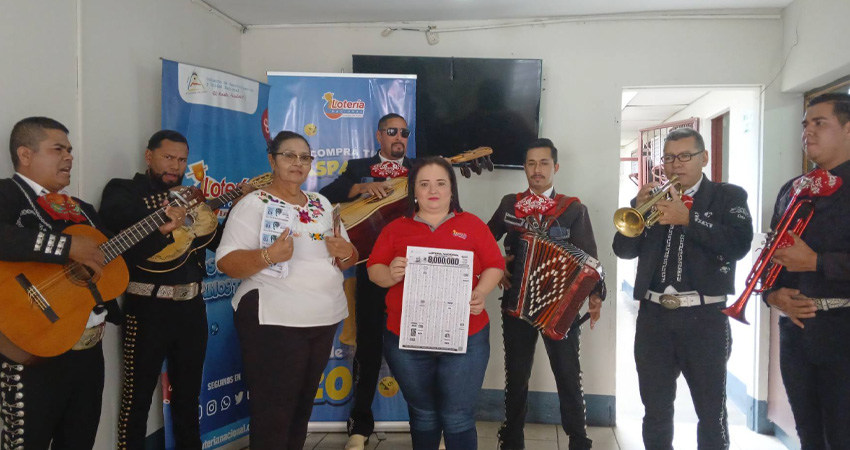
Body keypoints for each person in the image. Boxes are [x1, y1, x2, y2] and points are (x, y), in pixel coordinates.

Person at [99, 130, 245, 450]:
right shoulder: (124, 190)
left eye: (181, 160)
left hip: (192, 308)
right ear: (149, 156)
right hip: (147, 308)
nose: (175, 166)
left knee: (188, 396)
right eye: (168, 157)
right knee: (136, 400)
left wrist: (234, 209)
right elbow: (116, 218)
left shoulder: (192, 197)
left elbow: (219, 242)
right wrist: (169, 207)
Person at [612, 127, 753, 450]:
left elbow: (738, 244)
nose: (676, 165)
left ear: (704, 157)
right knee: (656, 410)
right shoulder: (652, 199)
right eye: (670, 157)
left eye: (685, 156)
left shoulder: (727, 196)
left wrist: (689, 219)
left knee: (710, 412)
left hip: (705, 318)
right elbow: (623, 249)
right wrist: (638, 205)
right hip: (653, 317)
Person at [216, 131, 357, 450]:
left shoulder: (321, 204)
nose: (298, 163)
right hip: (275, 321)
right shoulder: (254, 204)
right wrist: (267, 256)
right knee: (273, 411)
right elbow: (226, 261)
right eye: (289, 155)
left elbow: (350, 256)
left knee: (301, 407)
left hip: (324, 317)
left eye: (305, 157)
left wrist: (346, 250)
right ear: (272, 159)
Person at [0, 117, 128, 449]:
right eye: (58, 149)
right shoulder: (7, 193)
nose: (69, 157)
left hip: (87, 352)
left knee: (79, 440)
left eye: (70, 150)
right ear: (25, 155)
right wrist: (67, 247)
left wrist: (159, 232)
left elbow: (111, 258)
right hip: (32, 351)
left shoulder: (81, 209)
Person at [367, 156, 504, 450]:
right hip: (407, 340)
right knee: (424, 415)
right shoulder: (396, 228)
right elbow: (373, 268)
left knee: (458, 418)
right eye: (424, 184)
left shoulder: (473, 225)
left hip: (466, 337)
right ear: (413, 190)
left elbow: (495, 265)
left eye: (441, 183)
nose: (433, 190)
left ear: (452, 189)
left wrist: (481, 291)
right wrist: (390, 274)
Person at [487, 138, 605, 450]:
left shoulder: (573, 209)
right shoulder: (509, 204)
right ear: (524, 167)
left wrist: (596, 296)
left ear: (555, 167)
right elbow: (483, 242)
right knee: (517, 374)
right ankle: (511, 439)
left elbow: (590, 258)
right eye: (530, 163)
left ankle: (579, 440)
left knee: (567, 374)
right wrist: (496, 264)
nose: (536, 170)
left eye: (543, 163)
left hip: (560, 306)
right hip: (516, 303)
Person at [319, 113, 413, 450]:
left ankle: (426, 426)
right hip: (370, 267)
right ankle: (359, 427)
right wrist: (360, 187)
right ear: (379, 135)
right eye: (392, 131)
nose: (398, 137)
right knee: (369, 348)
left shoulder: (421, 169)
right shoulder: (359, 166)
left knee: (418, 350)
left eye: (404, 132)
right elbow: (324, 199)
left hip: (413, 272)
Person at [765, 93, 850, 449]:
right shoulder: (793, 190)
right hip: (796, 334)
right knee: (808, 435)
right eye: (805, 124)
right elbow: (770, 258)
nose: (808, 132)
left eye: (819, 123)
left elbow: (806, 258)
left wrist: (815, 262)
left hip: (842, 333)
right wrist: (772, 295)